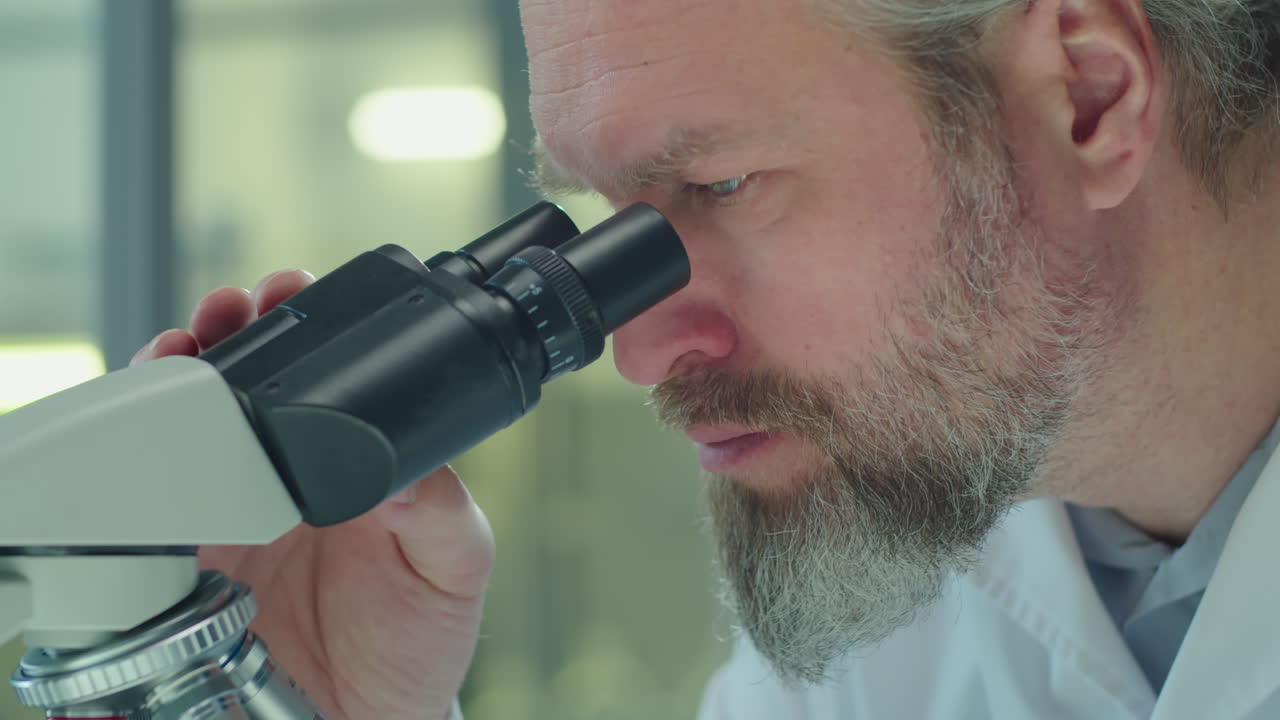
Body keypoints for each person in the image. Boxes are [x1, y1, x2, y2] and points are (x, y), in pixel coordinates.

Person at [132, 0, 1280, 717]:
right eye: (603, 213)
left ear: (1086, 97)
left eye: (720, 185)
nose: (638, 351)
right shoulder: (900, 607)